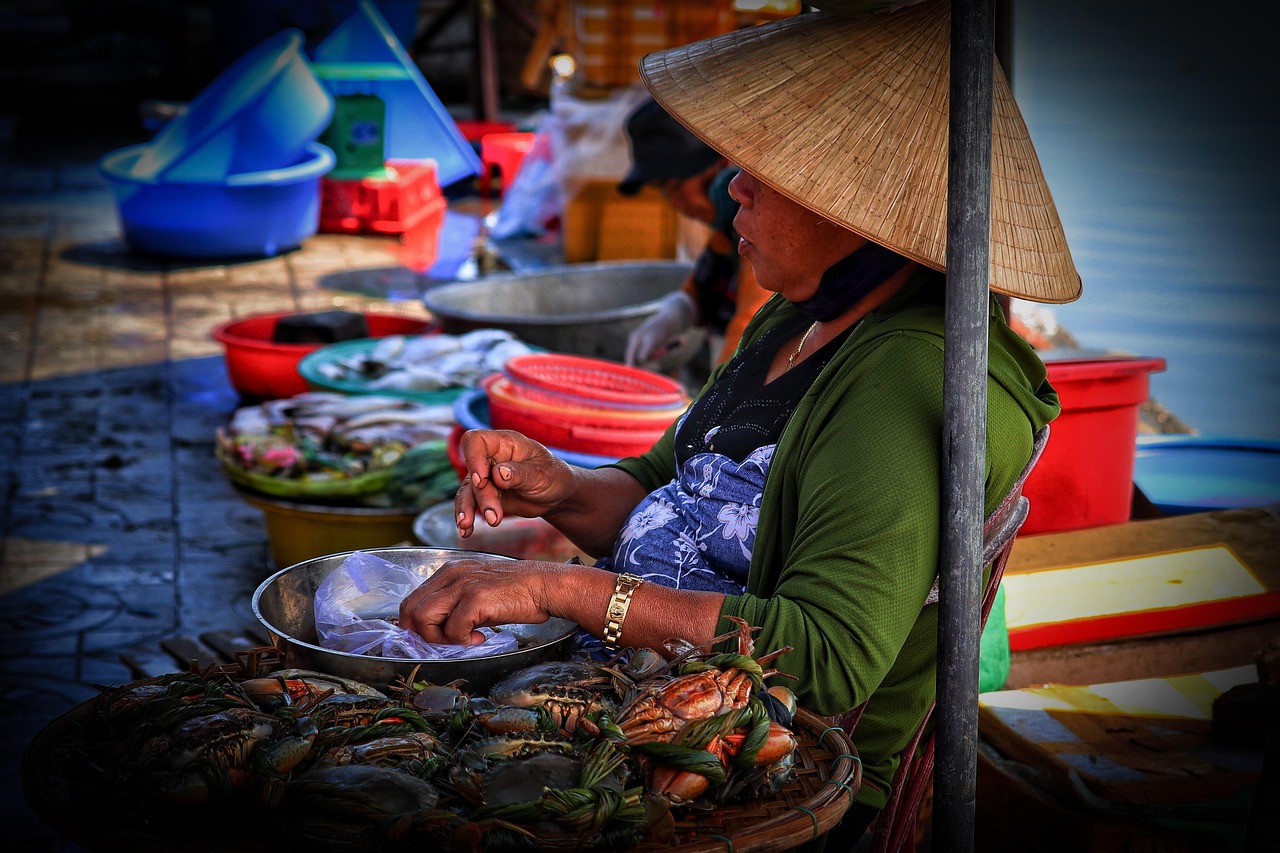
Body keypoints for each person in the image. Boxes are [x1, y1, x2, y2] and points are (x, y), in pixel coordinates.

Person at [400, 0, 1080, 842]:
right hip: (632, 692)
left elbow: (825, 657)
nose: (732, 186)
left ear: (856, 206)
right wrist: (560, 487)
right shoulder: (799, 318)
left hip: (755, 764)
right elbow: (667, 487)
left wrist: (559, 588)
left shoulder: (903, 378)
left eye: (766, 168)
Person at [617, 98, 771, 370]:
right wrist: (677, 310)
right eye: (665, 193)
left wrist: (711, 403)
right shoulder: (728, 230)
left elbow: (751, 330)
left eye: (676, 187)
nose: (676, 204)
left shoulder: (767, 235)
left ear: (724, 165)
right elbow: (707, 281)